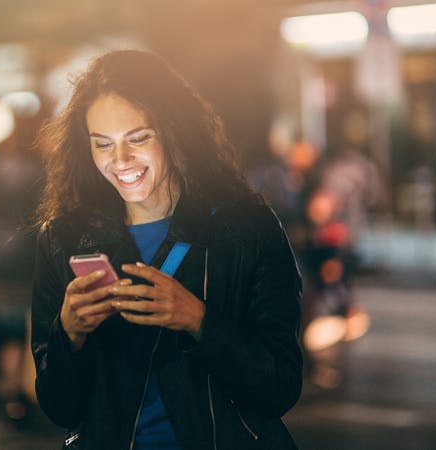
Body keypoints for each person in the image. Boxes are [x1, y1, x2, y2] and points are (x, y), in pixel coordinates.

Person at [31, 50, 302, 450]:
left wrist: (198, 320)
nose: (120, 161)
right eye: (102, 144)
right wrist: (68, 333)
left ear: (174, 131)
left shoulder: (245, 229)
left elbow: (279, 386)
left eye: (138, 138)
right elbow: (61, 409)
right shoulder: (65, 240)